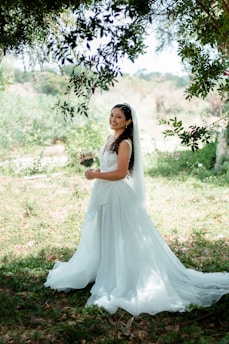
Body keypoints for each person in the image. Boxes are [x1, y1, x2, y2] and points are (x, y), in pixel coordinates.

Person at [44, 103, 229, 316]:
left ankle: (123, 274)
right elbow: (109, 168)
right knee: (105, 232)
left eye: (119, 117)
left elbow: (121, 173)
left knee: (121, 235)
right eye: (112, 115)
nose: (113, 119)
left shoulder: (125, 143)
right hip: (104, 192)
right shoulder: (110, 138)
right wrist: (97, 170)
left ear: (128, 121)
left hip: (117, 195)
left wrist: (96, 175)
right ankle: (105, 266)